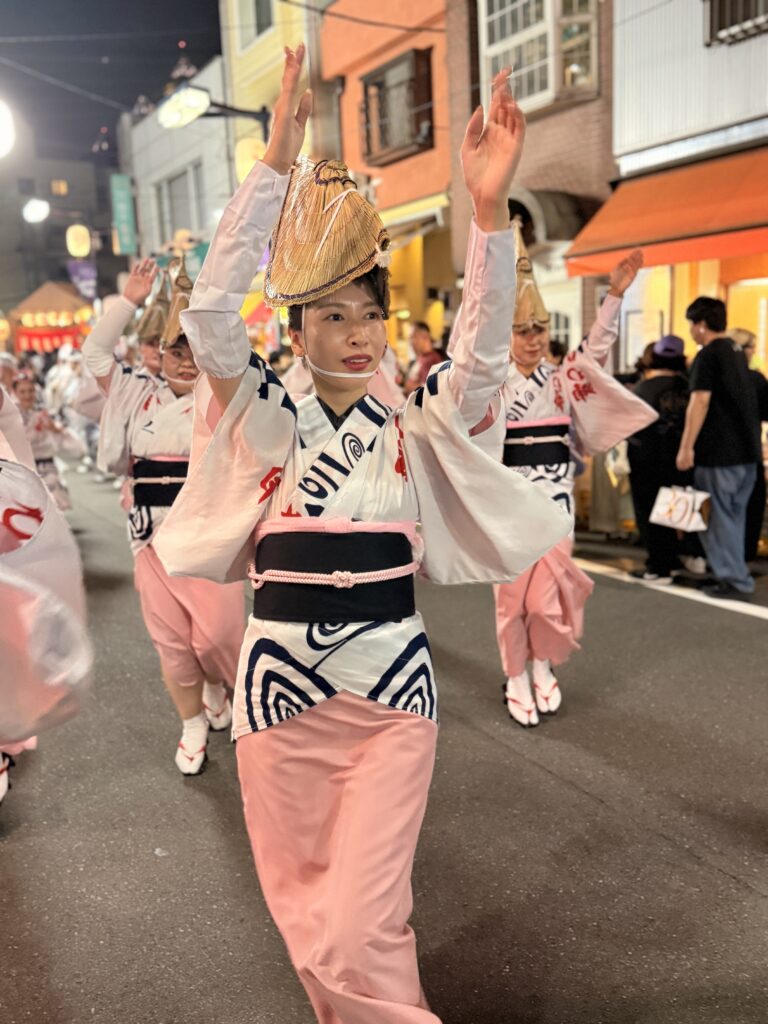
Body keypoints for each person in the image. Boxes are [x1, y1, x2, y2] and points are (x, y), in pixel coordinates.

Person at [155, 47, 569, 1023]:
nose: (354, 330)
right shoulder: (260, 416)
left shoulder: (419, 428)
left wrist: (488, 211)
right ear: (294, 330)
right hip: (278, 700)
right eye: (330, 314)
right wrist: (273, 166)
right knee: (310, 919)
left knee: (360, 922)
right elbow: (213, 312)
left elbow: (478, 347)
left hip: (390, 698)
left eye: (368, 313)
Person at [82, 257, 244, 775]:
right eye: (175, 349)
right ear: (161, 353)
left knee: (217, 637)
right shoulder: (136, 393)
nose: (184, 360)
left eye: (194, 349)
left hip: (209, 541)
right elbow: (94, 352)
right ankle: (192, 723)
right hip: (150, 541)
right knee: (172, 645)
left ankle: (224, 687)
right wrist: (128, 300)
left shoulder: (224, 397)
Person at [493, 223, 655, 726]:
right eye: (522, 329)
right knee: (510, 602)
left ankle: (541, 663)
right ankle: (515, 674)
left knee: (544, 602)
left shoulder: (564, 379)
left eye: (539, 328)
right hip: (507, 512)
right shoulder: (490, 388)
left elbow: (597, 349)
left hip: (556, 508)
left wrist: (613, 297)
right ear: (507, 335)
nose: (533, 338)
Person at [676, 298, 761, 598]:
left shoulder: (708, 355)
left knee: (718, 518)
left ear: (700, 325)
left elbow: (700, 401)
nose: (691, 332)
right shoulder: (739, 354)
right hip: (747, 455)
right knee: (734, 518)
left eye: (691, 325)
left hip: (718, 455)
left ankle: (733, 579)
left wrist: (686, 448)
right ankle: (735, 573)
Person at [627, 335, 694, 582]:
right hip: (679, 459)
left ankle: (658, 566)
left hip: (646, 460)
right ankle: (674, 560)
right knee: (673, 510)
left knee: (649, 513)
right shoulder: (688, 386)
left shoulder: (643, 389)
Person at [732, 327, 768, 561]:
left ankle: (726, 558)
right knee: (751, 507)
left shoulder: (714, 376)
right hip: (750, 450)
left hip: (719, 455)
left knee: (726, 511)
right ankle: (745, 555)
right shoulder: (755, 379)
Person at [11, 373, 71, 511]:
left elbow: (64, 438)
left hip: (46, 464)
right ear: (15, 392)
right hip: (21, 466)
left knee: (53, 503)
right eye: (22, 391)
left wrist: (54, 428)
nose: (27, 395)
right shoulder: (10, 415)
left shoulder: (43, 412)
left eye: (30, 391)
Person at [403, 320, 444, 395]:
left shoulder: (433, 360)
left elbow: (428, 390)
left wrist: (407, 386)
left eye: (413, 337)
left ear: (425, 337)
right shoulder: (420, 357)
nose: (411, 342)